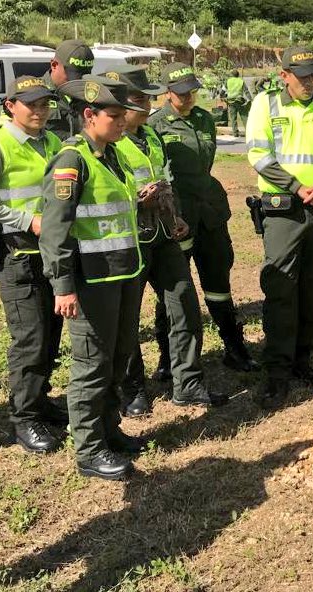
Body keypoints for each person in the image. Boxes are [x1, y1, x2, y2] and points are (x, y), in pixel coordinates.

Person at [40, 76, 149, 480]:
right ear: (89, 115)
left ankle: (108, 429)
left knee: (118, 358)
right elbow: (56, 231)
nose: (123, 122)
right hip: (92, 283)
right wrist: (63, 286)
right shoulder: (72, 161)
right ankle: (89, 450)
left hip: (123, 274)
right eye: (114, 116)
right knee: (91, 365)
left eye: (123, 115)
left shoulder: (113, 154)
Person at [107, 64, 226, 416]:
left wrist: (175, 218)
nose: (147, 106)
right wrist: (134, 200)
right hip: (128, 241)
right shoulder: (104, 145)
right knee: (127, 319)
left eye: (147, 99)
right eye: (139, 100)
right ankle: (132, 389)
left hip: (162, 236)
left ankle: (187, 383)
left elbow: (165, 180)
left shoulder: (150, 137)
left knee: (184, 306)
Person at [245, 48, 313, 407]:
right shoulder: (266, 104)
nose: (310, 83)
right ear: (284, 75)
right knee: (281, 287)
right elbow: (258, 155)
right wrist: (296, 186)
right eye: (302, 76)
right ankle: (277, 372)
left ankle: (303, 360)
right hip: (283, 211)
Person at [0, 76, 66, 453]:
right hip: (16, 255)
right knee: (30, 337)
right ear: (11, 105)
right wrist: (29, 221)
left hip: (51, 254)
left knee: (52, 330)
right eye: (32, 105)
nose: (41, 111)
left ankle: (40, 401)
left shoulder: (53, 142)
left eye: (45, 104)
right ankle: (24, 419)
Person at [148, 62, 257, 375]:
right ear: (168, 93)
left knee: (218, 282)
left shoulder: (205, 118)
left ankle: (234, 348)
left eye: (192, 91)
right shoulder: (158, 124)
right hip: (177, 215)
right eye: (181, 93)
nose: (188, 97)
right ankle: (168, 358)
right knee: (173, 289)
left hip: (209, 212)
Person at [43, 40, 95, 141]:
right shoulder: (33, 95)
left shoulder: (91, 94)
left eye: (83, 76)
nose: (77, 82)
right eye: (72, 76)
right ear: (54, 65)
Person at [224, 70, 249, 138]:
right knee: (244, 117)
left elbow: (223, 90)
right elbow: (246, 91)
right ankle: (248, 132)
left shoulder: (228, 81)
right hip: (239, 101)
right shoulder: (241, 81)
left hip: (231, 101)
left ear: (232, 75)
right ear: (238, 75)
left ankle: (235, 133)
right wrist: (250, 99)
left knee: (233, 118)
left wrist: (222, 97)